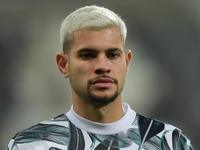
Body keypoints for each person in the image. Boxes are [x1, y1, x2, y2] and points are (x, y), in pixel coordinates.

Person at [6, 5, 194, 150]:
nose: (102, 67)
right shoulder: (31, 143)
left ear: (127, 62)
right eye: (87, 55)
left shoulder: (169, 141)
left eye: (112, 55)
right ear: (63, 65)